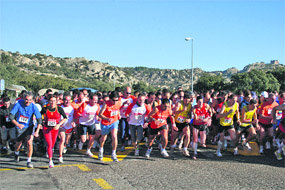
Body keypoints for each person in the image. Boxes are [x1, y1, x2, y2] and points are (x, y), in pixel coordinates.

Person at [10, 92, 42, 168]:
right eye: (26, 99)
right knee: (18, 144)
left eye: (30, 100)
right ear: (23, 98)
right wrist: (17, 124)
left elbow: (39, 120)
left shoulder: (34, 107)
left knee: (29, 142)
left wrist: (37, 131)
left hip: (29, 127)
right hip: (20, 127)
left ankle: (29, 161)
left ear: (32, 100)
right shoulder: (18, 104)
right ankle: (16, 153)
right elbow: (11, 116)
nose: (28, 101)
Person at [41, 95, 67, 168]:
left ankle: (49, 153)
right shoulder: (45, 108)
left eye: (54, 101)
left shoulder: (59, 109)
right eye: (51, 101)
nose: (52, 102)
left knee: (52, 144)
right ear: (48, 101)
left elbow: (65, 118)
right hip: (46, 128)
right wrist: (42, 121)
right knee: (49, 144)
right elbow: (40, 115)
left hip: (55, 128)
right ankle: (50, 160)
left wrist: (59, 125)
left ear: (56, 101)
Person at [98, 91, 122, 162]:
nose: (115, 102)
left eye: (116, 100)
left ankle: (113, 153)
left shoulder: (119, 103)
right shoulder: (106, 104)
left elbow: (118, 109)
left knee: (114, 136)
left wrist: (118, 115)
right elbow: (100, 114)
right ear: (110, 99)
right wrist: (107, 118)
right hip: (105, 122)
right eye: (113, 100)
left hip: (114, 121)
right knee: (103, 138)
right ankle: (101, 149)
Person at [58, 94, 76, 163]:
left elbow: (75, 117)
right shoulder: (60, 107)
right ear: (63, 100)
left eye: (68, 100)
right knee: (62, 139)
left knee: (66, 141)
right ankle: (60, 156)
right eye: (65, 100)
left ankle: (64, 146)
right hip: (61, 126)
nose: (67, 101)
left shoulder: (72, 108)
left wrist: (74, 122)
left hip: (69, 126)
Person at [119, 87, 134, 151]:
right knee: (122, 131)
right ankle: (122, 145)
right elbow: (117, 107)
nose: (128, 94)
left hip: (129, 117)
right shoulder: (120, 98)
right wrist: (123, 104)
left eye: (129, 93)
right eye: (127, 93)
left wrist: (130, 105)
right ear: (124, 92)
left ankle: (129, 139)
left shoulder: (132, 98)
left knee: (129, 132)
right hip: (122, 117)